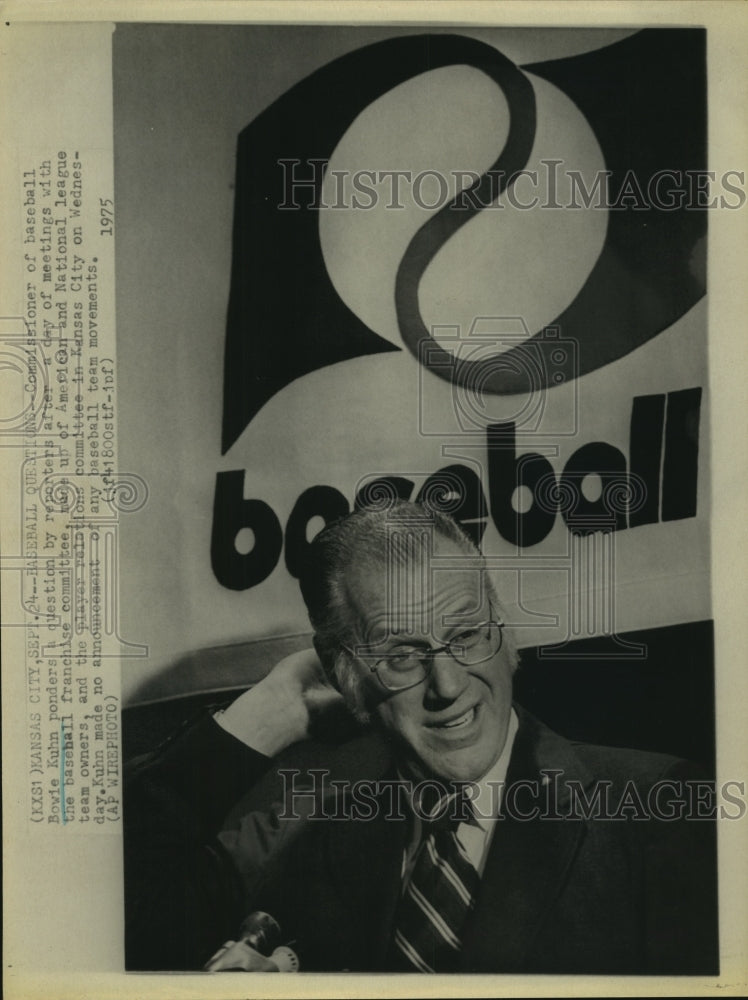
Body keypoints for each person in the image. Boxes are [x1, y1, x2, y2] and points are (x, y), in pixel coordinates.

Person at [124, 502, 718, 974]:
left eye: (467, 634)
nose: (449, 684)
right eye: (403, 656)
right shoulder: (311, 844)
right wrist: (266, 717)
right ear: (342, 673)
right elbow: (101, 898)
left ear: (503, 630)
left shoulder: (660, 815)